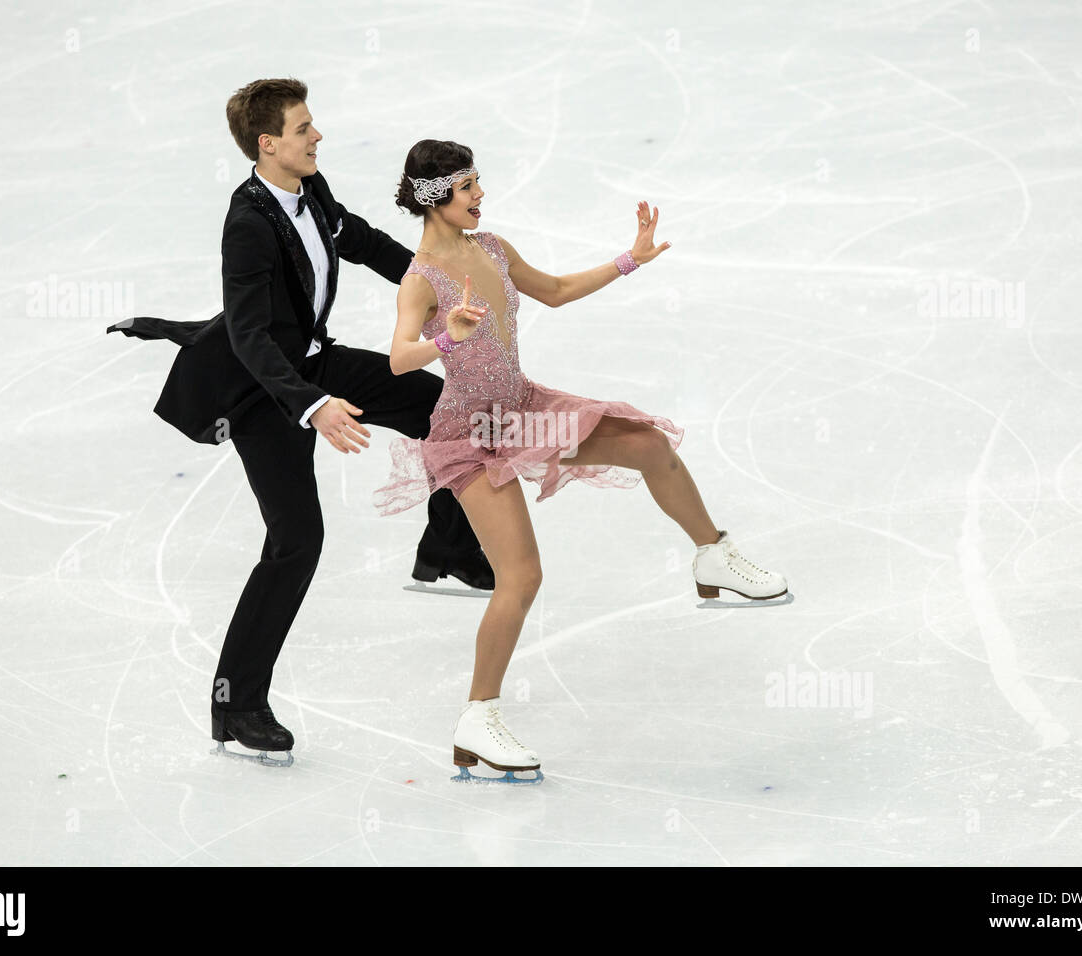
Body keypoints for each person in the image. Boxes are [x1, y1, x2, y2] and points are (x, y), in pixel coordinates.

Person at [374, 140, 789, 782]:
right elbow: (400, 358)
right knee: (523, 577)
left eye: (480, 182)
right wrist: (444, 336)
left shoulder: (493, 249)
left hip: (521, 405)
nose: (481, 195)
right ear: (436, 196)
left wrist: (631, 260)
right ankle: (476, 721)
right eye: (468, 187)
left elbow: (559, 291)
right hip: (470, 435)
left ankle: (713, 555)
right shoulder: (421, 277)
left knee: (648, 442)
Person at [107, 81, 493, 768]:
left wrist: (438, 286)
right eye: (305, 127)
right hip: (265, 390)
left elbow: (359, 238)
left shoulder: (308, 187)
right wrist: (310, 404)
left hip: (314, 359)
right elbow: (252, 337)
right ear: (269, 143)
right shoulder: (249, 225)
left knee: (446, 412)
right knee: (297, 541)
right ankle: (238, 703)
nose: (318, 137)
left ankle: (449, 546)